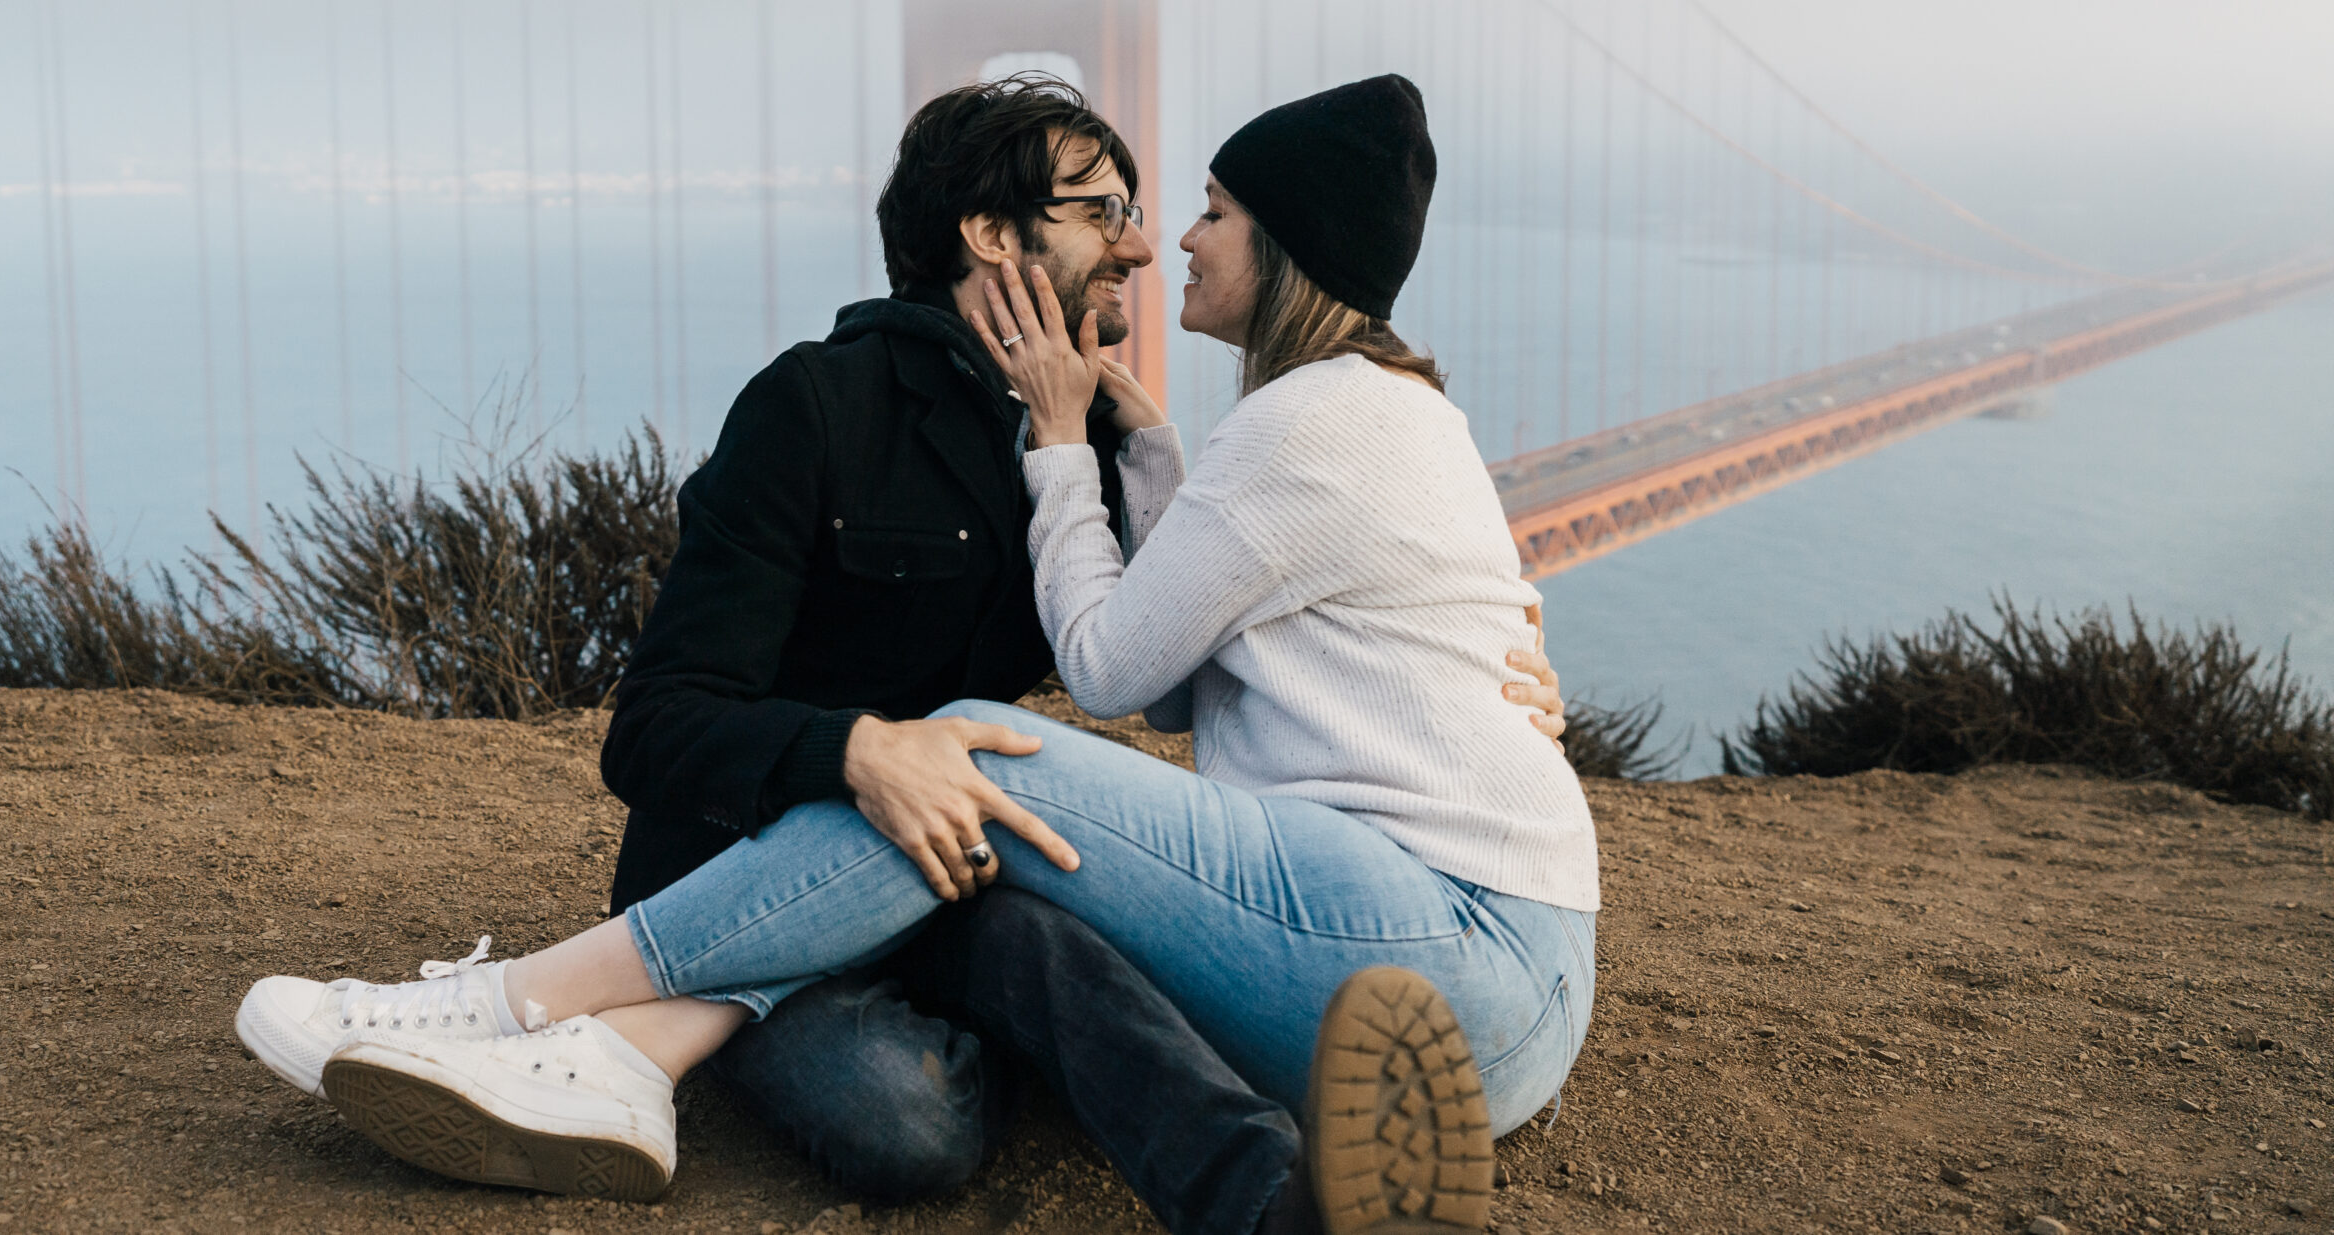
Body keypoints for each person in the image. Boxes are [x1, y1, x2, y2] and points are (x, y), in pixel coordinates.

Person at [236, 74, 1578, 1235]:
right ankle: (587, 1042)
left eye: (1194, 211)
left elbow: (1142, 679)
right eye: (1096, 211)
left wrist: (1097, 447)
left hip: (1297, 921)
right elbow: (652, 730)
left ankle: (557, 1022)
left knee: (977, 771)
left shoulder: (1172, 437)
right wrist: (856, 749)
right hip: (769, 850)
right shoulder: (816, 406)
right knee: (919, 1101)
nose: (1144, 242)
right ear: (988, 236)